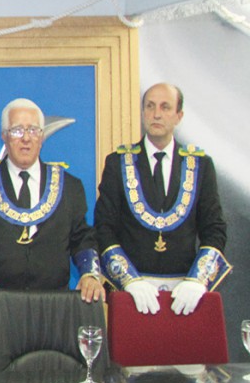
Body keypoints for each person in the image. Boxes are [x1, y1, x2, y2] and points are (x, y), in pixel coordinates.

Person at [0, 98, 105, 333]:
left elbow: (83, 239)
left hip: (54, 313)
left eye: (33, 130)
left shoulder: (70, 186)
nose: (26, 138)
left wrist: (90, 274)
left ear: (42, 136)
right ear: (4, 136)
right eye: (17, 130)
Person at [95, 83, 229, 315]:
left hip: (185, 296)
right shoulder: (118, 162)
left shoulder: (200, 165)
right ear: (143, 112)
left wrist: (197, 281)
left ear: (179, 116)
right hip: (131, 294)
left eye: (165, 107)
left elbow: (214, 229)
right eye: (150, 106)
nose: (156, 114)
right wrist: (129, 281)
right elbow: (103, 227)